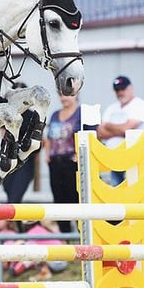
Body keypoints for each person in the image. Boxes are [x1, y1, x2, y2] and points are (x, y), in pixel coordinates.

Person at [96, 76, 144, 186]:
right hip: (114, 160)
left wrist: (109, 126)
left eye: (123, 89)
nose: (120, 92)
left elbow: (127, 128)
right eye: (117, 90)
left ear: (130, 88)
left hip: (135, 159)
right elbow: (100, 132)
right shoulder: (111, 108)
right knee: (116, 193)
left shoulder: (139, 105)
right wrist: (121, 130)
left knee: (135, 191)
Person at [43, 92, 81, 235]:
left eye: (68, 95)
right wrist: (47, 154)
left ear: (76, 95)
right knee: (59, 198)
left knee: (75, 197)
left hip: (72, 162)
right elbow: (49, 137)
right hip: (55, 162)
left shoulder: (80, 113)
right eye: (61, 95)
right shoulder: (54, 114)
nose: (64, 98)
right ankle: (64, 235)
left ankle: (80, 234)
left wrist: (78, 154)